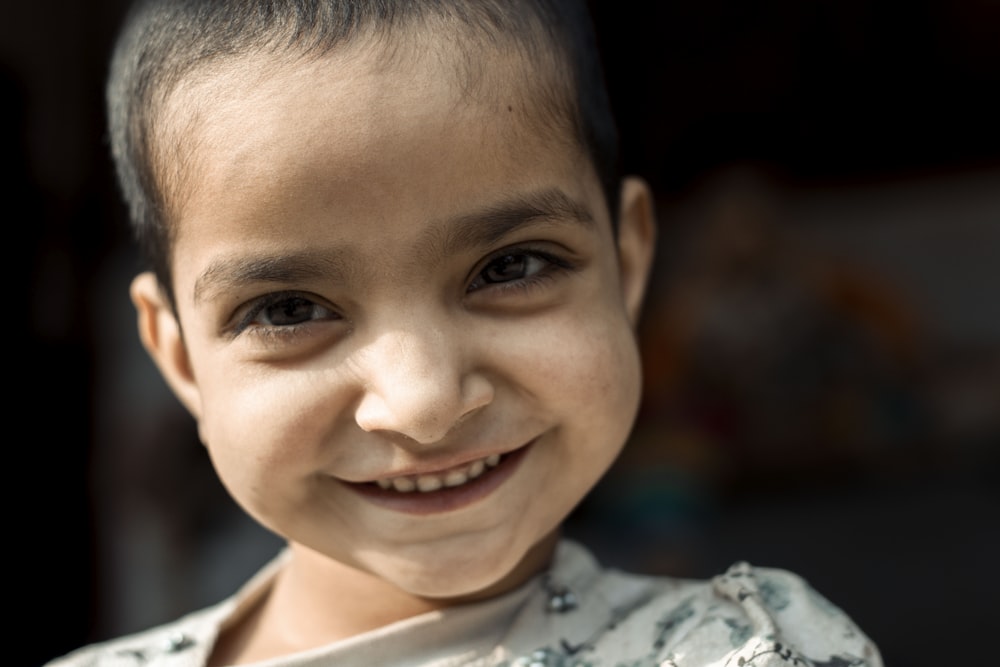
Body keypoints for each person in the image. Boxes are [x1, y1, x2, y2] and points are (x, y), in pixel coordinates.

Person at [49, 1, 882, 665]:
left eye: (512, 266)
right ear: (179, 356)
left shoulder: (745, 652)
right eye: (289, 310)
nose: (423, 402)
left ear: (626, 264)